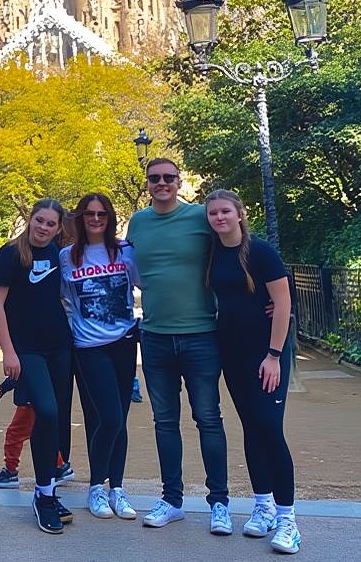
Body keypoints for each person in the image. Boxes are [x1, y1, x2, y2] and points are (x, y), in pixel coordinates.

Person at [126, 158, 232, 536]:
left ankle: (219, 502)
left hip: (201, 335)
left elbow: (236, 251)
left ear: (179, 181)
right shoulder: (137, 222)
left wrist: (265, 295)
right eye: (155, 178)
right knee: (165, 422)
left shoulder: (200, 218)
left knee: (208, 419)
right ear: (148, 183)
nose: (162, 183)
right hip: (154, 337)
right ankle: (172, 500)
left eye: (169, 177)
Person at [205, 190, 300, 554]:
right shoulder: (213, 252)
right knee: (250, 428)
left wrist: (274, 354)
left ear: (240, 214)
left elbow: (283, 302)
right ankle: (263, 506)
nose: (219, 218)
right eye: (213, 213)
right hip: (232, 353)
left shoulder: (260, 251)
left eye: (225, 211)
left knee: (270, 429)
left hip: (266, 355)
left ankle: (288, 518)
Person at [0, 198, 73, 534]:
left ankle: (47, 490)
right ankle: (44, 495)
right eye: (39, 220)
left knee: (57, 418)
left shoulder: (59, 252)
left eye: (51, 224)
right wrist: (8, 352)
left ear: (58, 227)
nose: (43, 227)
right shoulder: (10, 253)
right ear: (31, 219)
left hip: (60, 346)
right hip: (27, 349)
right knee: (47, 411)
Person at [59, 193, 140, 521]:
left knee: (119, 417)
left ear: (109, 217)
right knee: (107, 417)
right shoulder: (66, 257)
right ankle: (96, 486)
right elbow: (53, 299)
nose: (95, 219)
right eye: (89, 214)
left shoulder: (125, 252)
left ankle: (116, 489)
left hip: (124, 343)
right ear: (80, 218)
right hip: (89, 348)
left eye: (101, 213)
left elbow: (151, 283)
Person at [0, 376, 71, 489]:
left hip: (29, 401)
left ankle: (10, 472)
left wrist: (3, 387)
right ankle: (60, 467)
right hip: (40, 398)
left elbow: (19, 372)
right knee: (42, 436)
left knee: (14, 434)